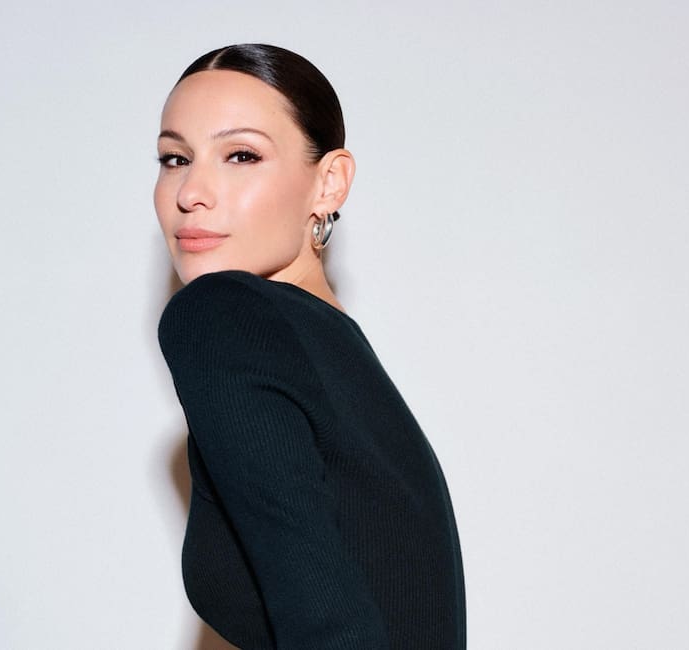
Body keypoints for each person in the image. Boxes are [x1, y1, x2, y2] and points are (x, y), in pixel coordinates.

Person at [155, 44, 466, 650]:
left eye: (241, 155)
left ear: (329, 183)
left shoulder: (221, 316)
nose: (191, 191)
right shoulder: (333, 351)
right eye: (175, 158)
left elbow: (330, 627)